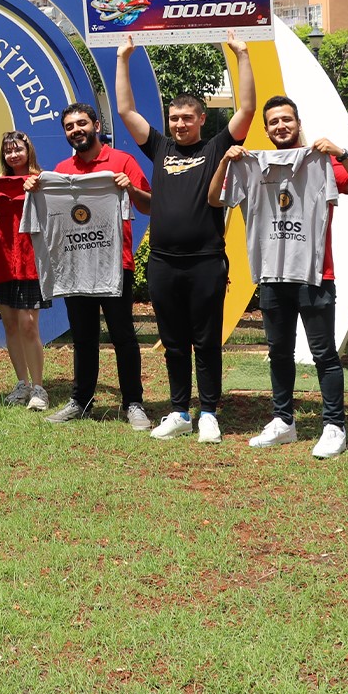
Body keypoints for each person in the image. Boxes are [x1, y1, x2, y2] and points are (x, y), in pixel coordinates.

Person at [209, 95, 348, 457]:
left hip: (314, 273)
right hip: (271, 273)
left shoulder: (324, 161)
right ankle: (283, 421)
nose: (280, 126)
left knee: (324, 354)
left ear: (298, 123)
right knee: (278, 352)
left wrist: (343, 152)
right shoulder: (250, 164)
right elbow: (215, 200)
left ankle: (334, 426)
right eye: (273, 122)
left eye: (286, 119)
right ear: (266, 129)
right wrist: (225, 160)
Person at [116, 31, 255, 443]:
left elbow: (246, 107)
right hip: (162, 262)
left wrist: (243, 54)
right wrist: (123, 57)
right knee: (174, 343)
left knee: (206, 340)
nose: (178, 124)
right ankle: (179, 411)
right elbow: (125, 109)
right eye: (173, 118)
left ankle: (208, 411)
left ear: (200, 120)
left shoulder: (215, 148)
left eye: (186, 118)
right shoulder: (159, 148)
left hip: (206, 261)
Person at [28, 103, 152, 429]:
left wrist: (130, 187)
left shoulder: (122, 162)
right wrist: (35, 189)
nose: (76, 130)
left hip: (114, 265)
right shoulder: (61, 170)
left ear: (96, 125)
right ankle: (81, 401)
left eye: (81, 123)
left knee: (123, 336)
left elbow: (148, 205)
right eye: (69, 126)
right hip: (76, 266)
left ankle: (133, 403)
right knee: (83, 338)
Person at [0, 131, 50, 411]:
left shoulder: (42, 181)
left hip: (30, 262)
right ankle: (22, 384)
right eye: (8, 151)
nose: (13, 155)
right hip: (1, 263)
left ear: (29, 150)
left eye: (18, 149)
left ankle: (39, 388)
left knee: (29, 324)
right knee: (10, 324)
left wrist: (39, 189)